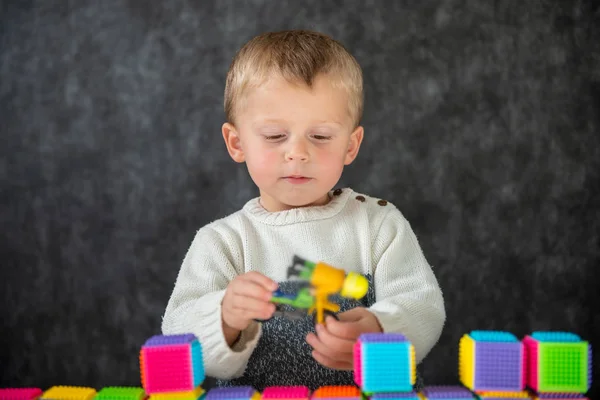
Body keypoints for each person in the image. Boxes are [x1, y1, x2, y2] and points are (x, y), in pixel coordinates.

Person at [161, 29, 445, 391]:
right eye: (275, 136)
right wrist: (225, 316)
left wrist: (380, 329)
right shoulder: (222, 242)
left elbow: (422, 305)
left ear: (351, 145)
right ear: (236, 142)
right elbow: (177, 337)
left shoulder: (378, 225)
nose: (297, 153)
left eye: (321, 136)